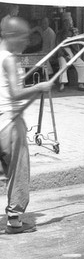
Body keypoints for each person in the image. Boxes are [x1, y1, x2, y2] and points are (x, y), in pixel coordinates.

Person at [3, 16, 53, 234]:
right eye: (23, 39)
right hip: (9, 123)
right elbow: (15, 93)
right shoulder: (9, 60)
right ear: (11, 37)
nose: (26, 43)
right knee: (19, 169)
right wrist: (40, 87)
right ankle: (14, 220)